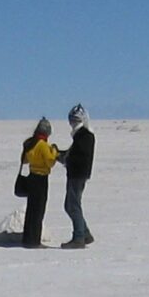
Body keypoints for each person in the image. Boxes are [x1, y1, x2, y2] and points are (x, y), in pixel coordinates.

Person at [17, 117, 59, 248]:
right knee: (39, 210)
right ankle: (34, 240)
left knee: (31, 209)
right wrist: (55, 151)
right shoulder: (42, 145)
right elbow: (50, 162)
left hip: (31, 177)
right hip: (41, 179)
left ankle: (27, 238)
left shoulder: (31, 144)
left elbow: (24, 160)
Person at [60, 103, 97, 247]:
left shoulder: (85, 135)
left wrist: (66, 158)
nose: (73, 123)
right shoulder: (81, 135)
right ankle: (84, 234)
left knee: (72, 205)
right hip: (76, 174)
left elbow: (80, 156)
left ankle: (79, 237)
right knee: (71, 205)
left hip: (78, 175)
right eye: (72, 120)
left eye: (75, 120)